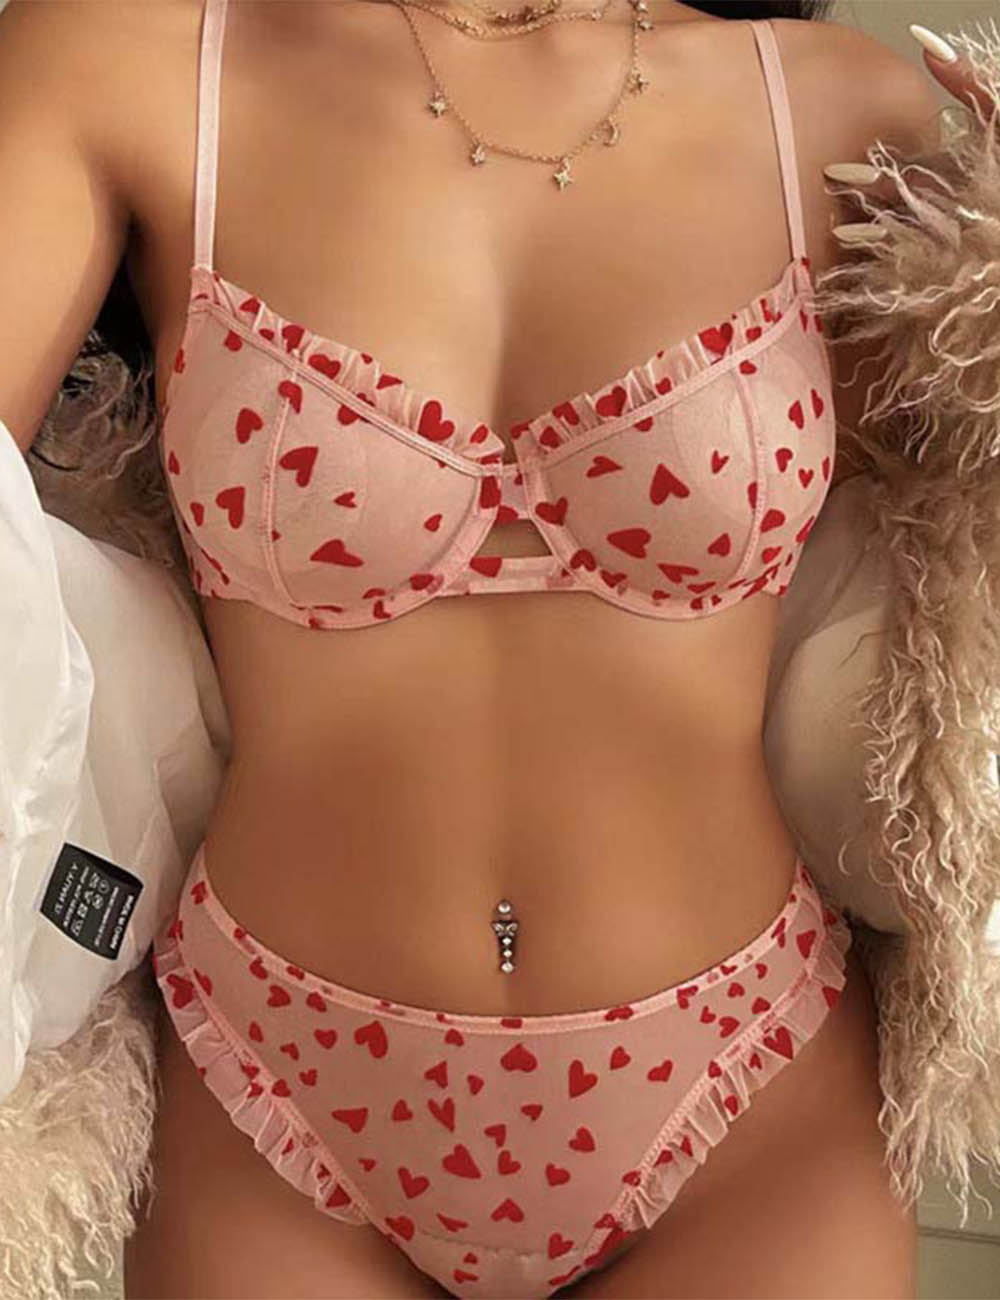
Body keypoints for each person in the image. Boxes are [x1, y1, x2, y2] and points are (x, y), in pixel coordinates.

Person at [0, 2, 955, 1297]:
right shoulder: (137, 55)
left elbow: (954, 577)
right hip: (267, 1095)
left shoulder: (843, 106)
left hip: (751, 1106)